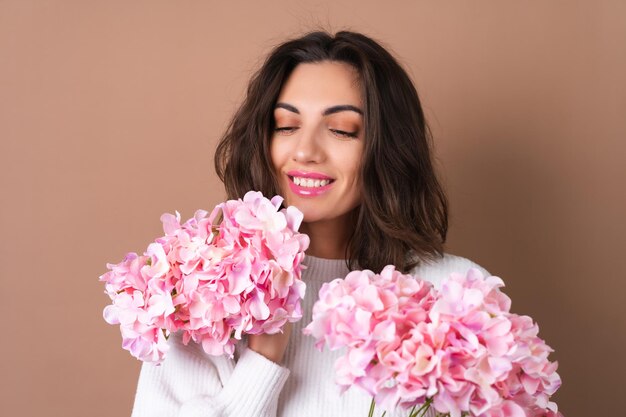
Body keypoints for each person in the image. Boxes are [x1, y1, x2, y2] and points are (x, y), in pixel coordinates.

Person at [130, 30, 490, 417]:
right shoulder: (197, 299)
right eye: (285, 126)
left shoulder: (457, 295)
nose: (305, 151)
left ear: (388, 147)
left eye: (341, 130)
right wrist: (261, 363)